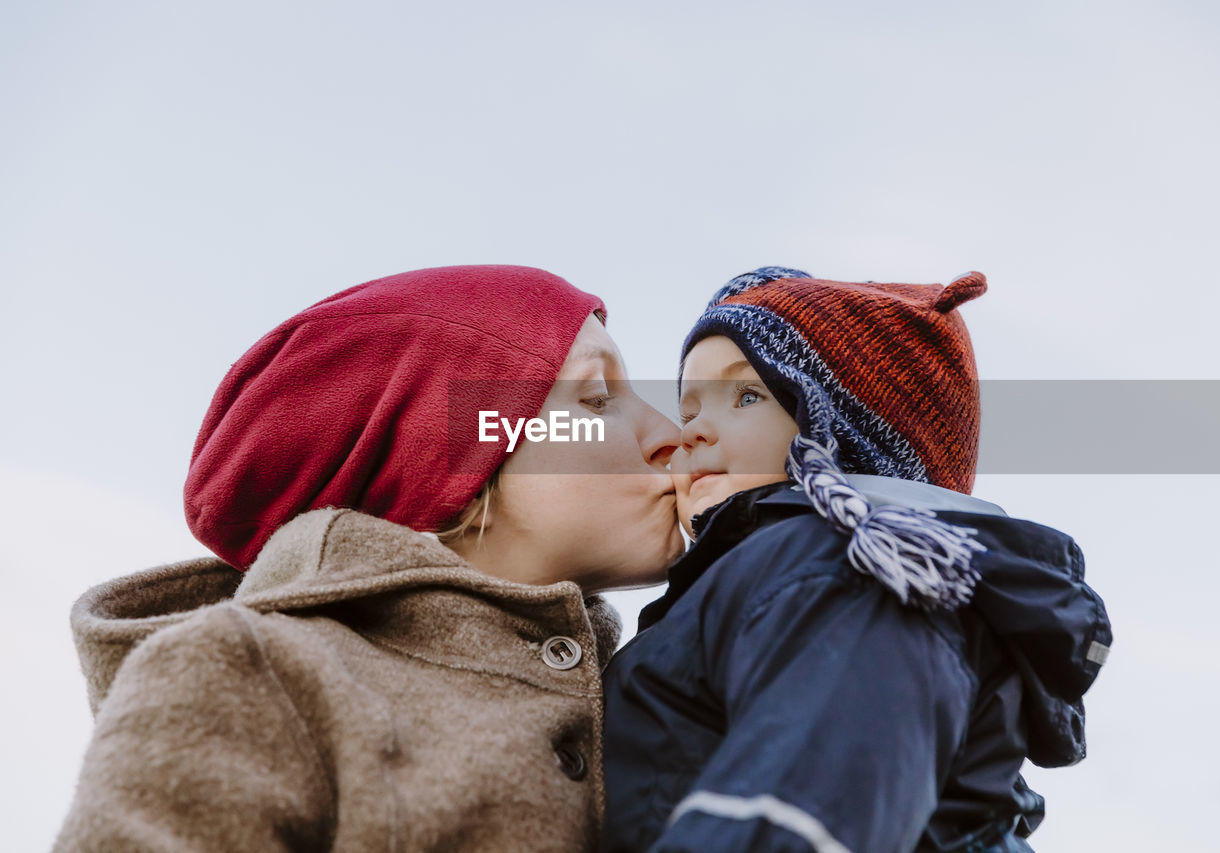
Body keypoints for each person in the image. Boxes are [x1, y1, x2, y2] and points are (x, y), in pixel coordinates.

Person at [55, 264, 685, 852]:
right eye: (597, 398)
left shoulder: (667, 687)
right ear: (447, 461)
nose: (671, 437)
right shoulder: (245, 675)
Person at [600, 266, 1113, 852]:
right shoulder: (764, 579)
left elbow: (797, 821)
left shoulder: (850, 576)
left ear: (843, 436)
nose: (690, 433)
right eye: (688, 410)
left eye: (746, 395)